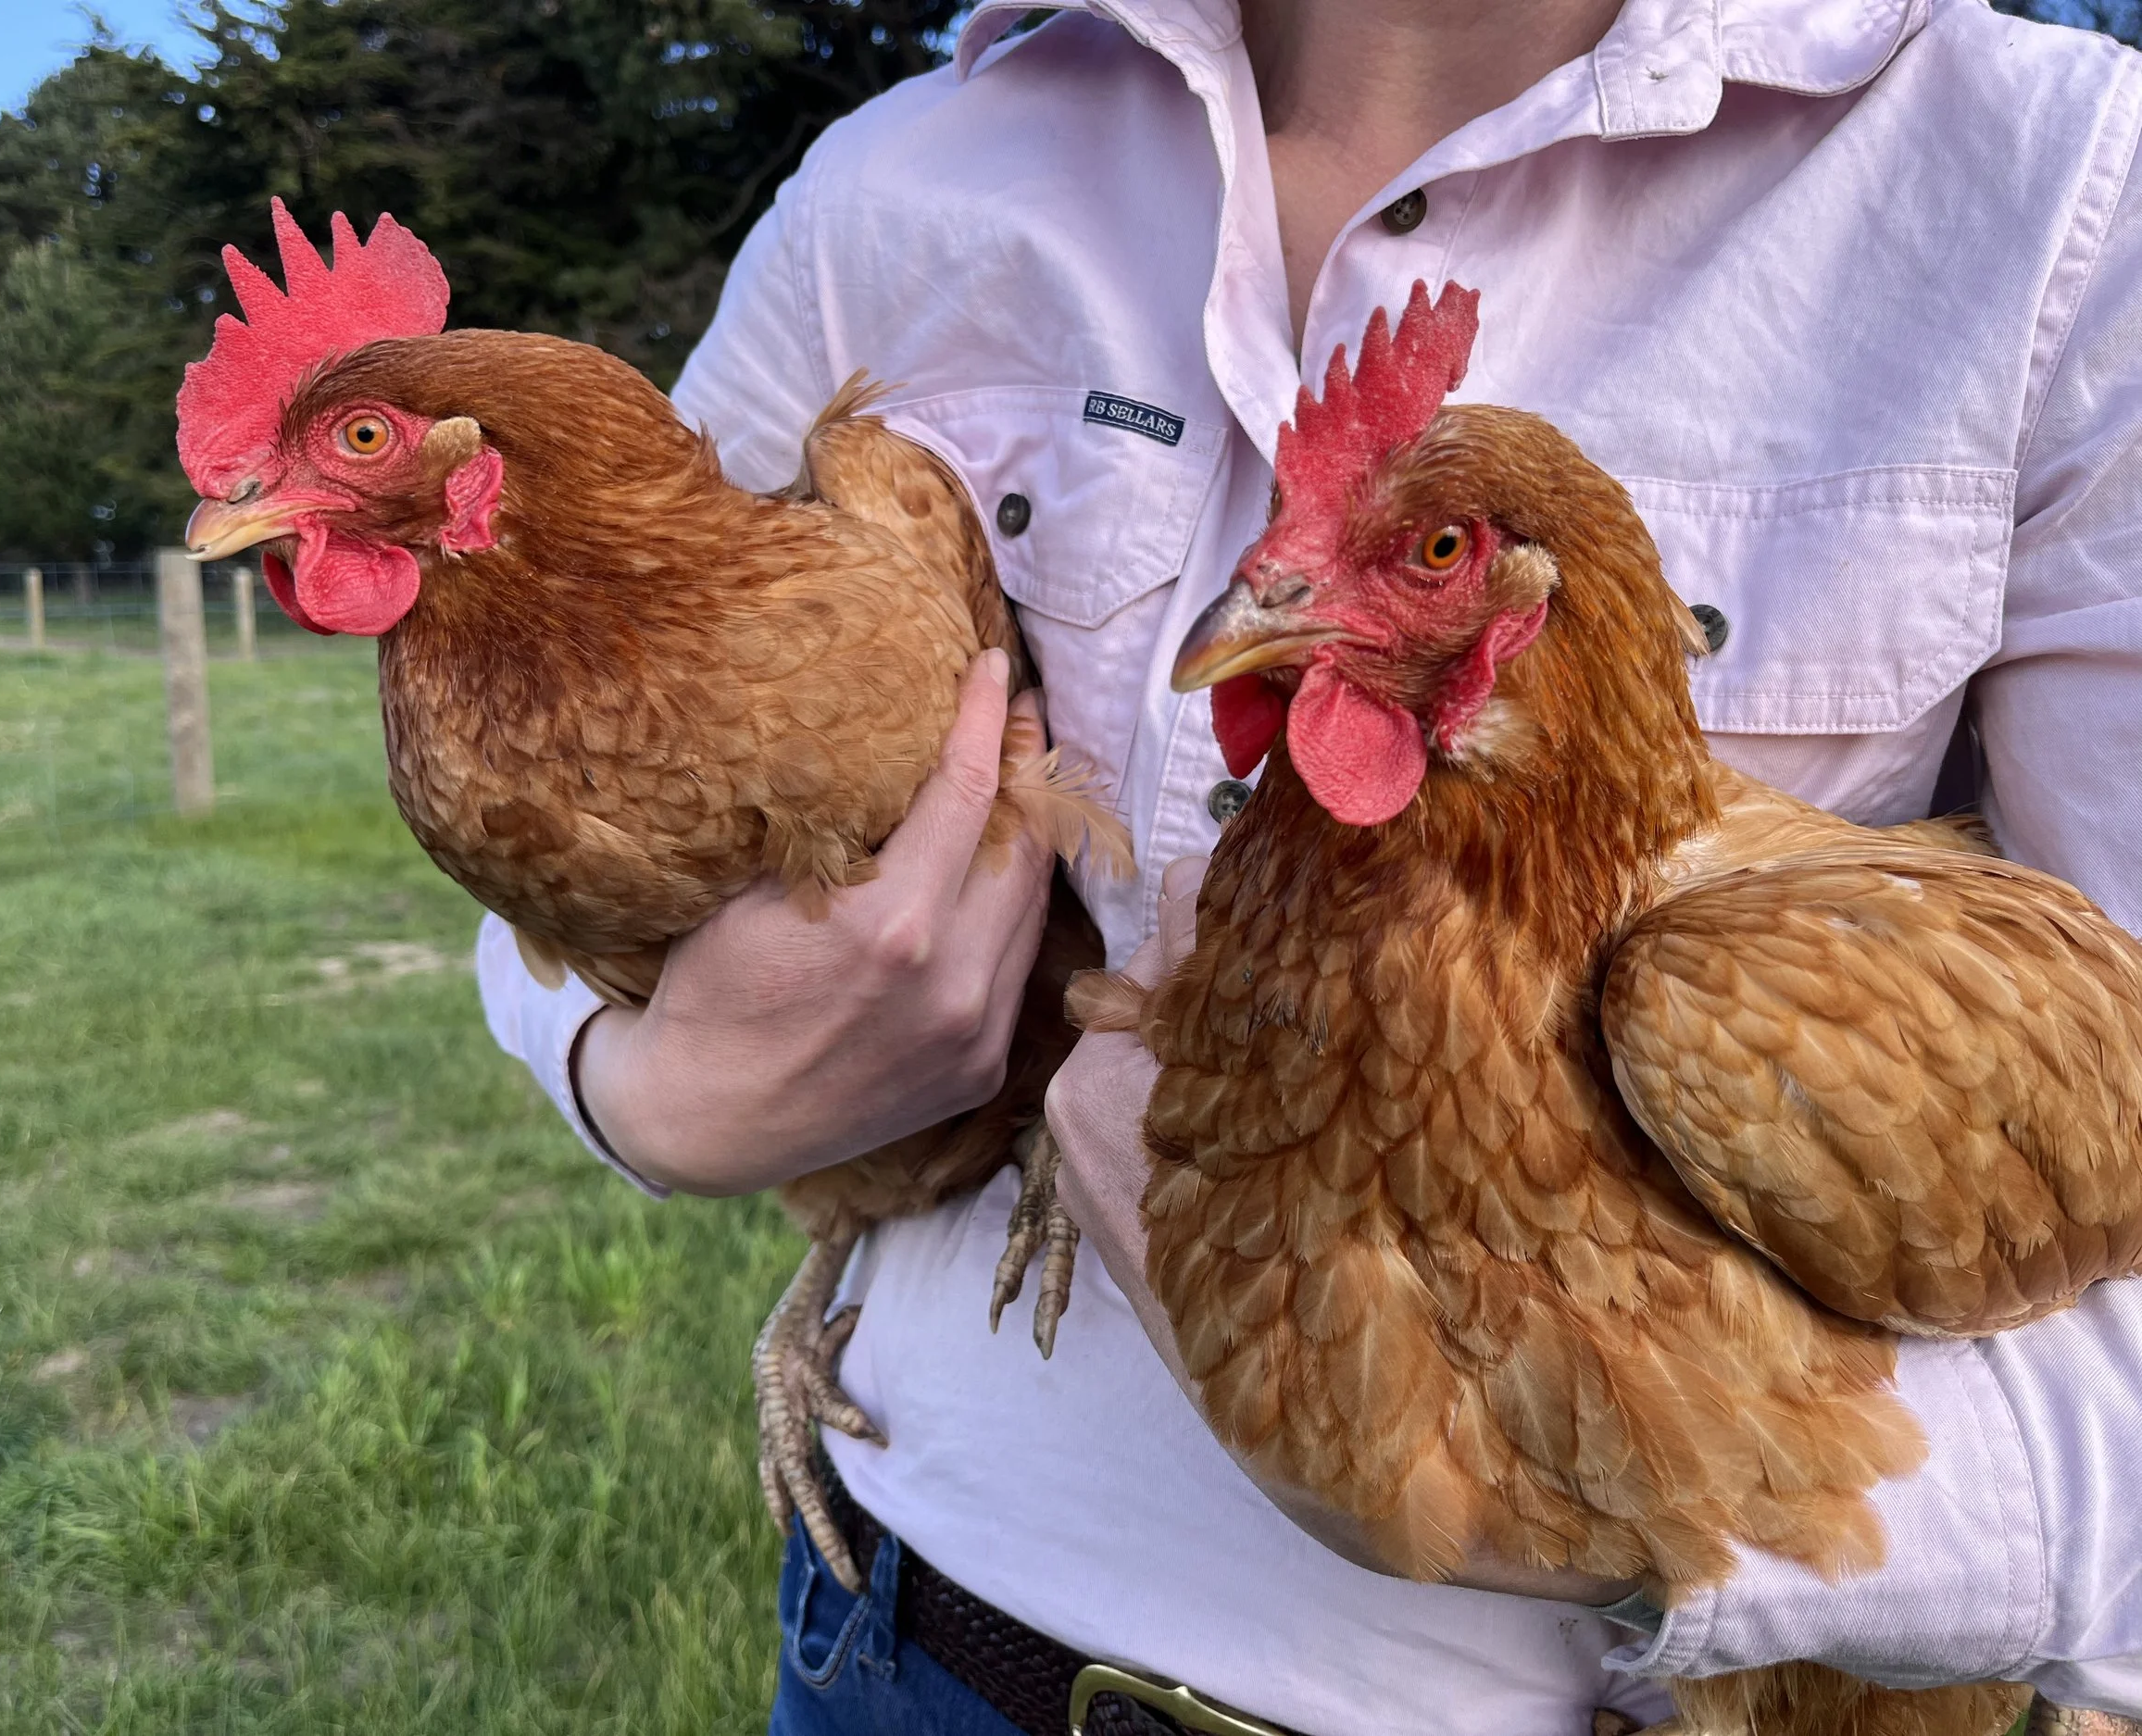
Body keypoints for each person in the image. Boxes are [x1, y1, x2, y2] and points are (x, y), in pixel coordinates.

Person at [475, 0, 2142, 1729]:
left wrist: (1570, 1492)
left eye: (1420, 557)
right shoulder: (903, 178)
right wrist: (649, 1093)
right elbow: (575, 795)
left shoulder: (2059, 187)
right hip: (920, 1641)